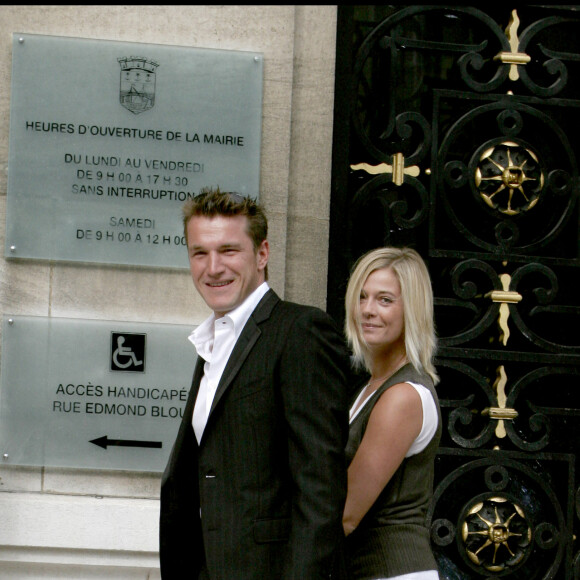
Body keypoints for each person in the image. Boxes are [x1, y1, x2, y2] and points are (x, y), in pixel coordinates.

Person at [159, 187, 350, 579]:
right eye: (200, 253)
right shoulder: (214, 341)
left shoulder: (299, 331)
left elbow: (319, 490)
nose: (213, 267)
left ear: (262, 254)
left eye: (229, 250)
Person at [342, 247, 441, 580]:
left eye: (385, 300)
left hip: (392, 571)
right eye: (362, 297)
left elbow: (347, 514)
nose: (368, 310)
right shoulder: (374, 385)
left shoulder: (402, 396)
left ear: (411, 310)